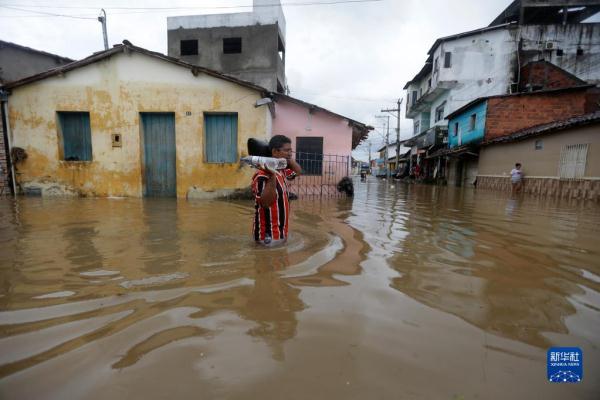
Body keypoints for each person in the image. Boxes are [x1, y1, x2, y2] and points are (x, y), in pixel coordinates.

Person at [252, 135, 302, 246]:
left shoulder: (282, 171)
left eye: (291, 150)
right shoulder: (261, 175)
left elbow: (298, 172)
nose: (290, 153)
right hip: (267, 237)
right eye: (287, 150)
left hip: (280, 233)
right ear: (275, 151)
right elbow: (265, 203)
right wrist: (272, 173)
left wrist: (288, 159)